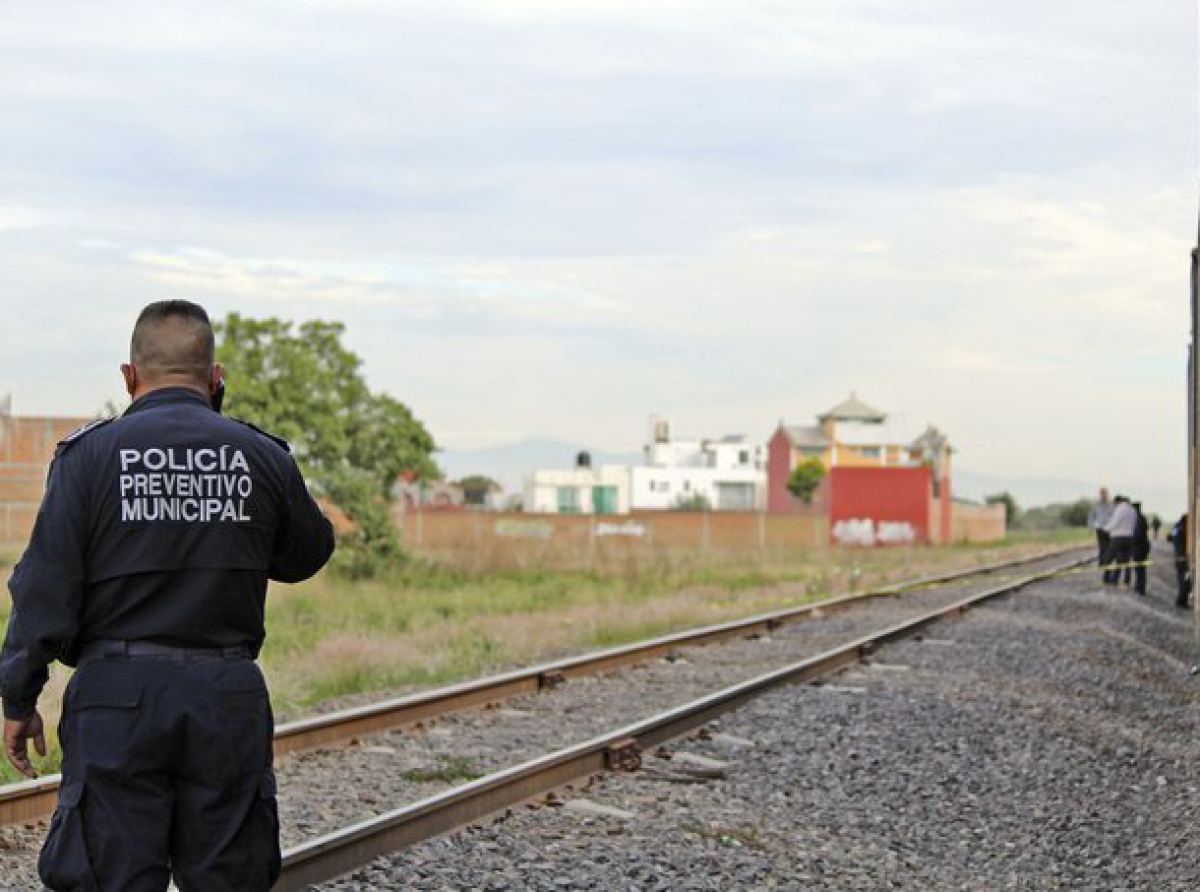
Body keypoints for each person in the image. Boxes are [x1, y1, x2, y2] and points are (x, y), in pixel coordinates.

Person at [0, 301, 335, 891]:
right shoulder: (262, 456)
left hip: (116, 700)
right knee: (230, 878)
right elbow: (306, 555)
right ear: (216, 377)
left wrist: (19, 698)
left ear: (130, 377)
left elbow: (43, 591)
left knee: (109, 877)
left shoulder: (88, 458)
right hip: (225, 696)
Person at [1101, 495, 1136, 586]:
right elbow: (1134, 524)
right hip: (1129, 537)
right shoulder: (1133, 510)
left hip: (1118, 537)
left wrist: (1105, 528)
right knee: (1124, 560)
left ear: (1117, 502)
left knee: (1109, 558)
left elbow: (1114, 522)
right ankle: (1126, 581)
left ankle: (1107, 579)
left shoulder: (1120, 509)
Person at [1169, 513, 1191, 609]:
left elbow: (1169, 538)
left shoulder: (1176, 528)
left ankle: (1181, 601)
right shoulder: (1183, 530)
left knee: (1182, 580)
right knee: (1185, 581)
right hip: (1183, 558)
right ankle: (1181, 601)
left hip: (1178, 557)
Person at [1129, 501, 1151, 595]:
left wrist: (1131, 543)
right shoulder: (1142, 517)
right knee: (1140, 568)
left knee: (1139, 568)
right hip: (1143, 546)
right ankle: (1139, 587)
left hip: (1139, 547)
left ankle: (1140, 589)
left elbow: (1137, 535)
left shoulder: (1137, 519)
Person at [1088, 488, 1114, 563]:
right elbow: (1091, 516)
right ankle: (1102, 562)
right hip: (1099, 528)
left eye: (1105, 493)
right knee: (1102, 546)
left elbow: (1115, 516)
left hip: (1109, 528)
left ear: (1108, 494)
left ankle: (1109, 561)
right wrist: (1090, 528)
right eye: (1102, 493)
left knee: (1109, 546)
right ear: (1100, 494)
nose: (1103, 495)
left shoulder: (1112, 504)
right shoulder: (1096, 504)